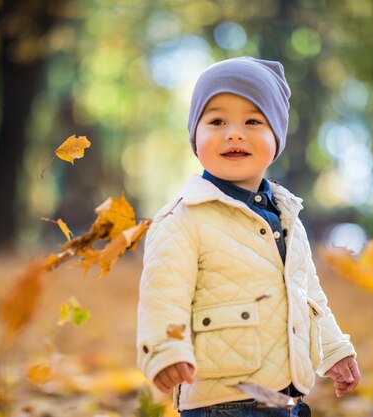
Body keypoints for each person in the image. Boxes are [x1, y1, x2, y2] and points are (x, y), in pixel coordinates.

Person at [136, 57, 360, 416]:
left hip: (284, 399)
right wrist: (164, 350)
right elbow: (162, 296)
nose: (234, 133)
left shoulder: (287, 217)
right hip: (219, 401)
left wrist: (334, 349)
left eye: (253, 121)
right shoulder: (183, 218)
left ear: (277, 137)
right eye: (217, 121)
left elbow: (309, 296)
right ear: (196, 135)